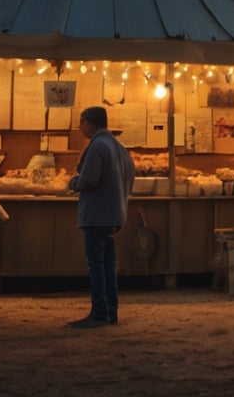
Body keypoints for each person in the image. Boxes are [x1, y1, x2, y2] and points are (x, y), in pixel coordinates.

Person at [67, 106, 137, 329]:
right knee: (108, 264)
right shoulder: (118, 145)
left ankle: (99, 313)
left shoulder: (97, 146)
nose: (80, 127)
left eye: (81, 123)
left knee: (96, 265)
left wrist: (72, 183)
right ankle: (111, 311)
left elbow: (88, 180)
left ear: (89, 122)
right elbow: (131, 173)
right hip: (115, 213)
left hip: (96, 213)